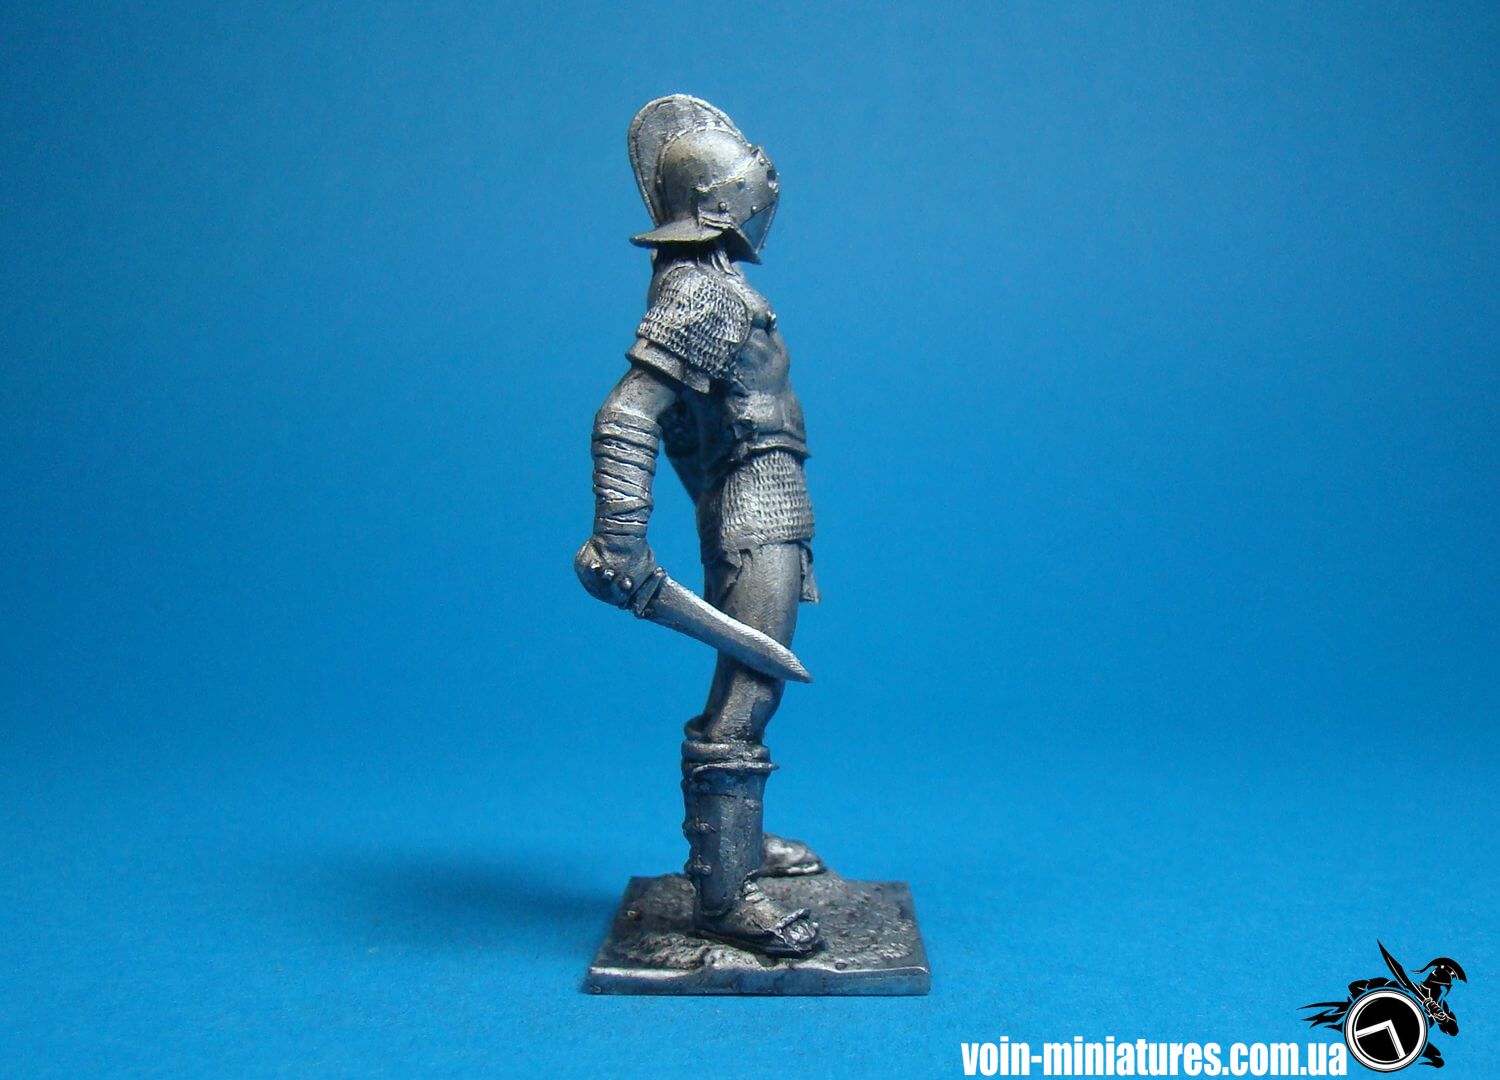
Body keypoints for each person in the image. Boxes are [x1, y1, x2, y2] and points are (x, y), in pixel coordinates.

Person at [574, 95, 822, 957]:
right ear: (721, 202)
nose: (768, 188)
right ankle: (724, 892)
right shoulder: (705, 293)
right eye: (753, 177)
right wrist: (622, 537)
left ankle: (735, 844)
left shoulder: (713, 286)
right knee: (750, 690)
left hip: (761, 494)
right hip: (755, 502)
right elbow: (629, 414)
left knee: (754, 680)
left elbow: (689, 420)